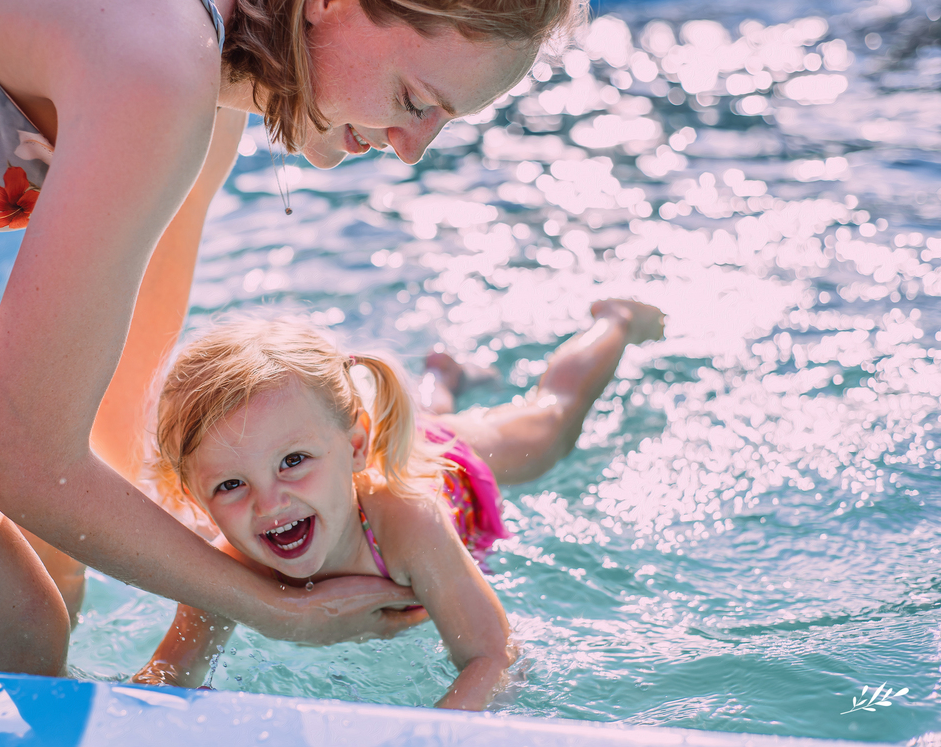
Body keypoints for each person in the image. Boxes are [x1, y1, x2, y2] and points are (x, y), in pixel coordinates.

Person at [0, 0, 583, 673]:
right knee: (7, 643)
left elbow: (111, 427)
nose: (413, 146)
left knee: (54, 561)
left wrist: (250, 496)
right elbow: (23, 462)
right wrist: (270, 603)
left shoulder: (219, 57)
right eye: (413, 98)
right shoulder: (163, 66)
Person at [132, 299, 665, 710]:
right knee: (427, 412)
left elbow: (494, 654)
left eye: (293, 460)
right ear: (193, 497)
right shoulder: (222, 572)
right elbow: (167, 676)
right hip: (381, 447)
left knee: (549, 422)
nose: (269, 502)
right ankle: (444, 377)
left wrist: (435, 736)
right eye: (230, 485)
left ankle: (614, 320)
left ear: (358, 445)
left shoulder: (407, 522)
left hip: (449, 466)